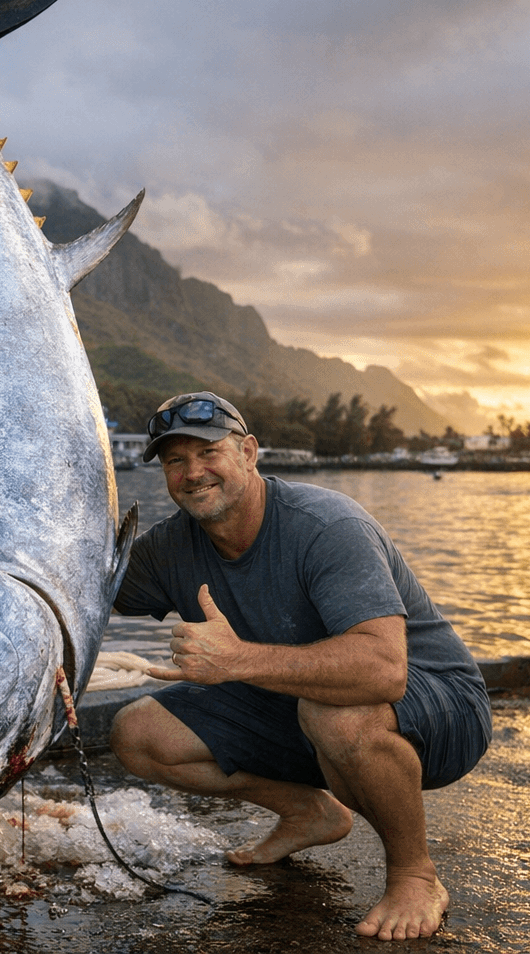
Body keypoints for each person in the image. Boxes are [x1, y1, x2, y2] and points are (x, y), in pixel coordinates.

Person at [108, 392, 491, 941]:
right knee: (138, 732)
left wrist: (237, 659)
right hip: (296, 704)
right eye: (175, 461)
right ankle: (311, 813)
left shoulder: (326, 525)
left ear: (249, 452)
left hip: (440, 706)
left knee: (335, 715)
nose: (192, 473)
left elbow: (384, 671)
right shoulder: (170, 547)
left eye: (208, 452)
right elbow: (82, 592)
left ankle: (414, 872)